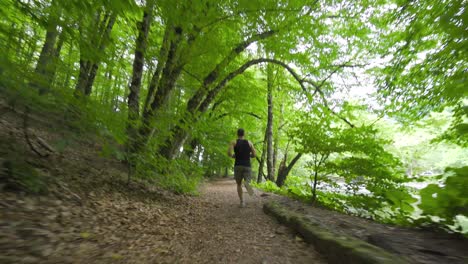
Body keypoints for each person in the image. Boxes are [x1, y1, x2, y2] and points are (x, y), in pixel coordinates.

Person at [228, 128, 256, 207]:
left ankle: (242, 202)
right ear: (244, 134)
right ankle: (252, 195)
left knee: (239, 184)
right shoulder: (249, 142)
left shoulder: (234, 142)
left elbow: (229, 153)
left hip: (238, 165)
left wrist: (234, 156)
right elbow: (254, 154)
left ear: (237, 134)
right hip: (247, 165)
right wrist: (248, 155)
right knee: (247, 183)